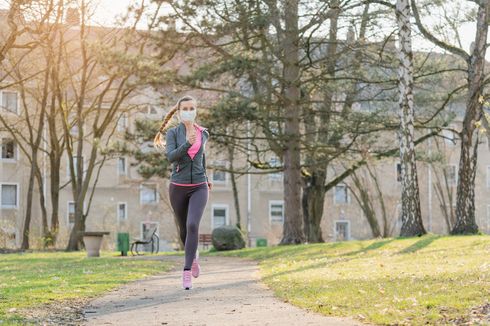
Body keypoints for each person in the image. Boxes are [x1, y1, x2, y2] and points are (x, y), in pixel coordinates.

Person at [153, 95, 212, 290]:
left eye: (191, 108)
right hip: (178, 187)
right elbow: (171, 157)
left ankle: (186, 271)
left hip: (199, 186)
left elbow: (201, 158)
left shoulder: (203, 133)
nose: (188, 111)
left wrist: (206, 177)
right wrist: (187, 143)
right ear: (179, 112)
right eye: (185, 108)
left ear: (196, 110)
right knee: (184, 230)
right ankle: (193, 256)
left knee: (193, 224)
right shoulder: (173, 133)